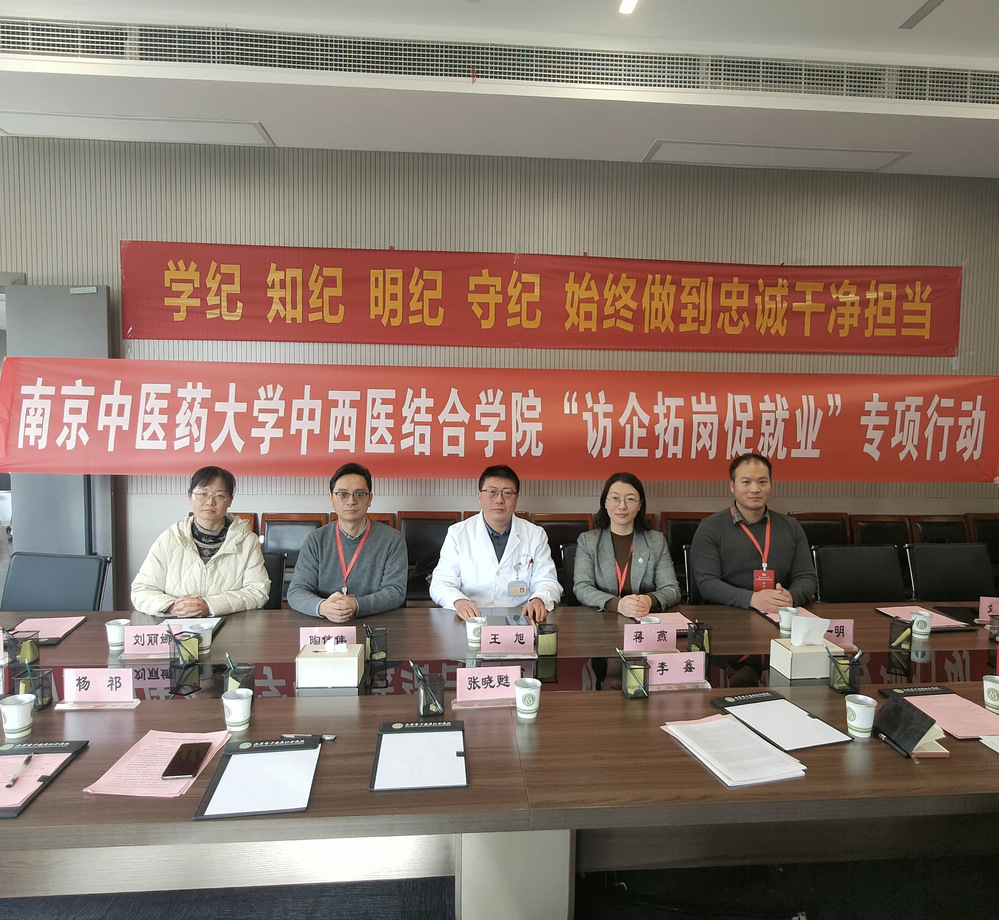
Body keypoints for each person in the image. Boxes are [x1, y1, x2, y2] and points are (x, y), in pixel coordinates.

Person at [689, 452, 817, 615]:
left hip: (780, 613)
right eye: (746, 482)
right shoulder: (710, 528)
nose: (755, 489)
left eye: (762, 482)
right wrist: (752, 599)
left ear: (771, 484)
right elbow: (707, 583)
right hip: (728, 615)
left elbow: (806, 577)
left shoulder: (791, 527)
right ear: (732, 486)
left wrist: (790, 597)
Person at [131, 466, 269, 616]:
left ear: (230, 500)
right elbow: (142, 590)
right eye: (203, 494)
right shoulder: (170, 538)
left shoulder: (247, 540)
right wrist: (171, 606)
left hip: (231, 624)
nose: (210, 502)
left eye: (219, 496)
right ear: (190, 496)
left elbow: (258, 592)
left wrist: (210, 605)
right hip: (177, 624)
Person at [430, 464, 561, 622]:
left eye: (507, 493)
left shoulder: (535, 534)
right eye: (491, 492)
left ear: (516, 498)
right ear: (479, 496)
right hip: (472, 619)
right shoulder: (458, 533)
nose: (499, 500)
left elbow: (547, 580)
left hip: (520, 618)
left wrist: (539, 599)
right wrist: (459, 601)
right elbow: (441, 582)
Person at [288, 463, 407, 622]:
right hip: (325, 623)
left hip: (375, 622)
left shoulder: (392, 540)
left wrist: (356, 605)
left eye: (359, 494)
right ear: (331, 498)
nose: (351, 501)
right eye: (343, 494)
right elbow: (296, 591)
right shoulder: (316, 540)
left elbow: (395, 591)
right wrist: (324, 607)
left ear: (370, 499)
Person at [574, 472, 680, 615]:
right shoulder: (588, 542)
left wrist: (649, 600)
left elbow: (671, 589)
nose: (622, 506)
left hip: (645, 616)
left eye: (630, 499)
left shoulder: (656, 541)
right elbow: (582, 587)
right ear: (605, 502)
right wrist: (617, 605)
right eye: (615, 498)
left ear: (640, 504)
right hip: (602, 618)